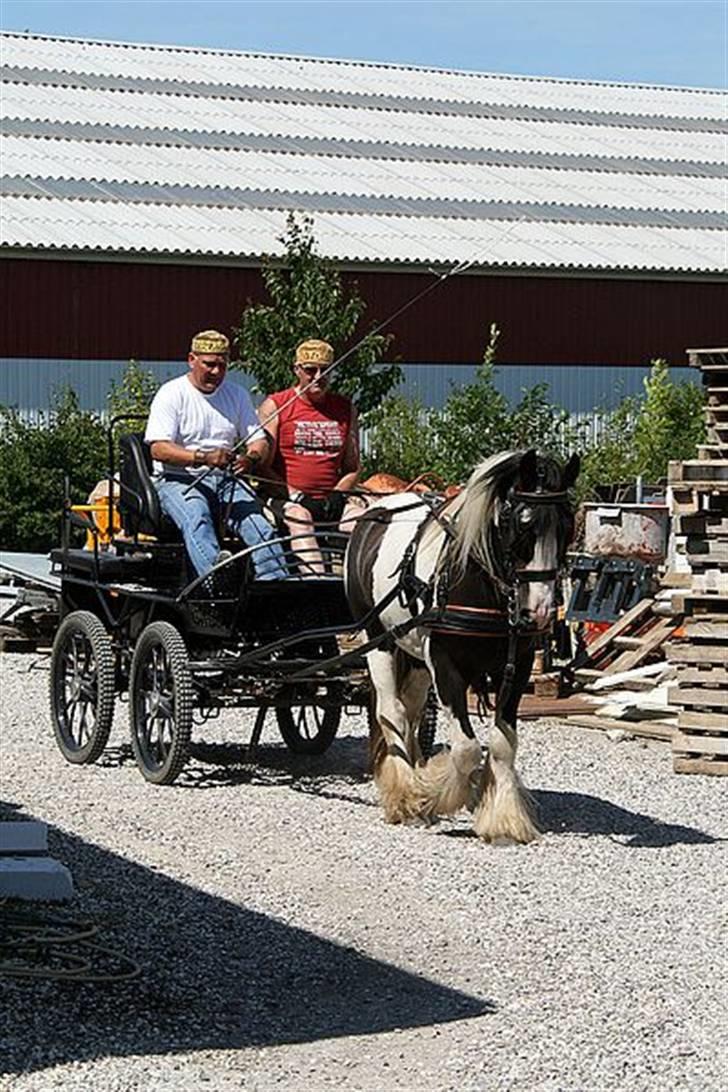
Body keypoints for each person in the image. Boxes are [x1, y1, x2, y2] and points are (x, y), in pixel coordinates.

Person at [144, 329, 288, 582]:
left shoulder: (237, 394)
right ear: (192, 360)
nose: (216, 372)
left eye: (222, 366)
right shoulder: (171, 393)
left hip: (226, 480)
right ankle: (214, 584)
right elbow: (159, 449)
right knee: (197, 518)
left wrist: (251, 459)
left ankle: (275, 587)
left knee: (260, 525)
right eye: (209, 365)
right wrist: (204, 457)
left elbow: (259, 441)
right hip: (177, 480)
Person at [258, 339, 362, 575]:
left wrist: (337, 494)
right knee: (301, 517)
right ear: (297, 370)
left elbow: (353, 467)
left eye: (324, 370)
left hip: (330, 501)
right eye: (310, 370)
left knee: (368, 522)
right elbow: (261, 466)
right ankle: (316, 582)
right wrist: (295, 494)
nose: (318, 377)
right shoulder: (276, 404)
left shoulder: (345, 409)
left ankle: (362, 587)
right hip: (285, 499)